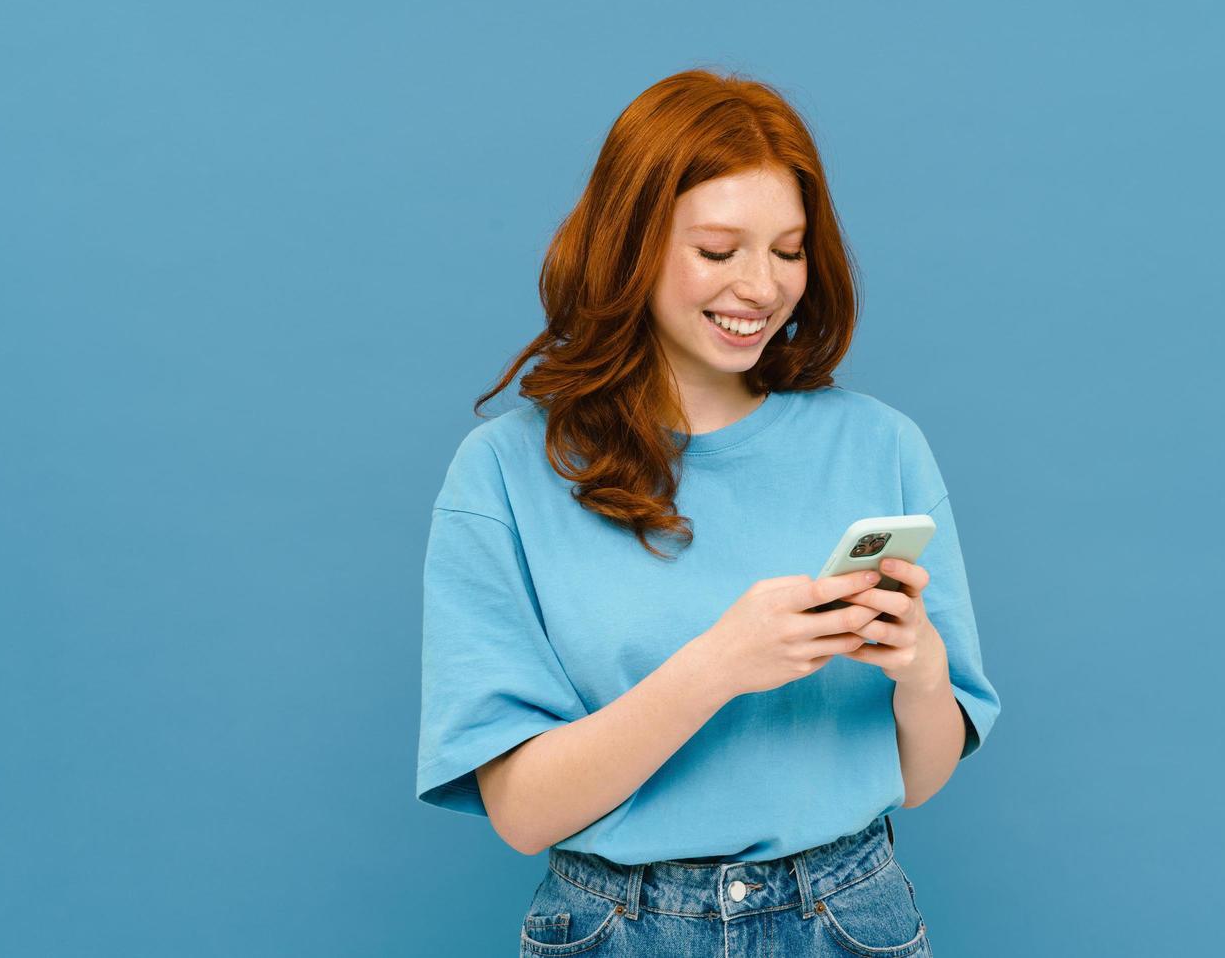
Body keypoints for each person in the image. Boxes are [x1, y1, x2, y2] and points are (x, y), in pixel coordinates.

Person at [416, 68, 1000, 957]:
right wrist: (721, 665)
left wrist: (921, 671)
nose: (761, 288)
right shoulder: (503, 474)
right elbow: (523, 814)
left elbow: (918, 781)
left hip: (848, 919)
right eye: (719, 251)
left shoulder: (881, 446)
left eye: (790, 250)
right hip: (612, 929)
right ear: (632, 246)